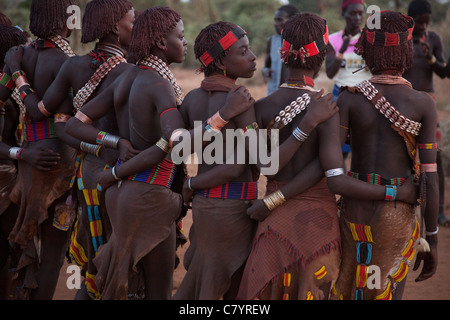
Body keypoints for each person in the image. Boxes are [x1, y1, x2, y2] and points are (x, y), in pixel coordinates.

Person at [235, 12, 418, 301]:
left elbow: (266, 167)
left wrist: (271, 201)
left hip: (273, 224)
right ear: (322, 55)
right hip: (318, 226)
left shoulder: (262, 108)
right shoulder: (327, 108)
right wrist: (307, 125)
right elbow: (328, 171)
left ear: (283, 54)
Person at [5, 0, 136, 300]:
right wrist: (106, 148)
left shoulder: (42, 59)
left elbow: (30, 108)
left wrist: (15, 73)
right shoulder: (77, 63)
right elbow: (47, 115)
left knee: (31, 251)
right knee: (67, 257)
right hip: (83, 167)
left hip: (45, 164)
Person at [332, 10, 439, 300]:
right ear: (406, 51)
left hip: (354, 208)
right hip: (397, 217)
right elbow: (430, 177)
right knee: (383, 292)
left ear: (366, 50)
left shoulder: (349, 98)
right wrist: (431, 239)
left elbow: (332, 170)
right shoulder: (422, 103)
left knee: (351, 288)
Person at [0, 0, 80, 300]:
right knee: (53, 256)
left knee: (26, 247)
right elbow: (42, 112)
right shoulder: (66, 61)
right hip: (61, 162)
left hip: (30, 160)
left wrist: (16, 70)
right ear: (64, 20)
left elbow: (1, 97)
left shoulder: (19, 56)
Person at [0, 24, 61, 299]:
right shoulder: (8, 86)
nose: (29, 51)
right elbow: (37, 112)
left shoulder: (11, 84)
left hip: (21, 174)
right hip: (9, 180)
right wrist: (22, 154)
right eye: (23, 48)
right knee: (14, 254)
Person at [403, 0, 449, 227]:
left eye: (427, 22)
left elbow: (443, 73)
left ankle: (438, 211)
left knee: (435, 160)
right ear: (411, 21)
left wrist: (430, 57)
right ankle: (407, 206)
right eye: (419, 22)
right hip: (405, 104)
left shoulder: (434, 40)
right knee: (404, 157)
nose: (423, 26)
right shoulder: (402, 40)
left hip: (428, 104)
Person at [326, 0, 371, 160]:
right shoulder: (333, 40)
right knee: (340, 146)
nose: (357, 17)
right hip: (341, 95)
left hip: (367, 95)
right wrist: (342, 51)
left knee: (365, 147)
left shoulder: (370, 40)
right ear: (343, 14)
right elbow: (330, 73)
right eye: (353, 13)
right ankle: (340, 181)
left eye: (360, 13)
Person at [262, 4, 299, 96]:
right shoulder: (271, 41)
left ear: (292, 21)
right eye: (275, 20)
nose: (275, 23)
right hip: (273, 93)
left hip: (294, 95)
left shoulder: (300, 41)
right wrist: (266, 71)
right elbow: (266, 66)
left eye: (279, 20)